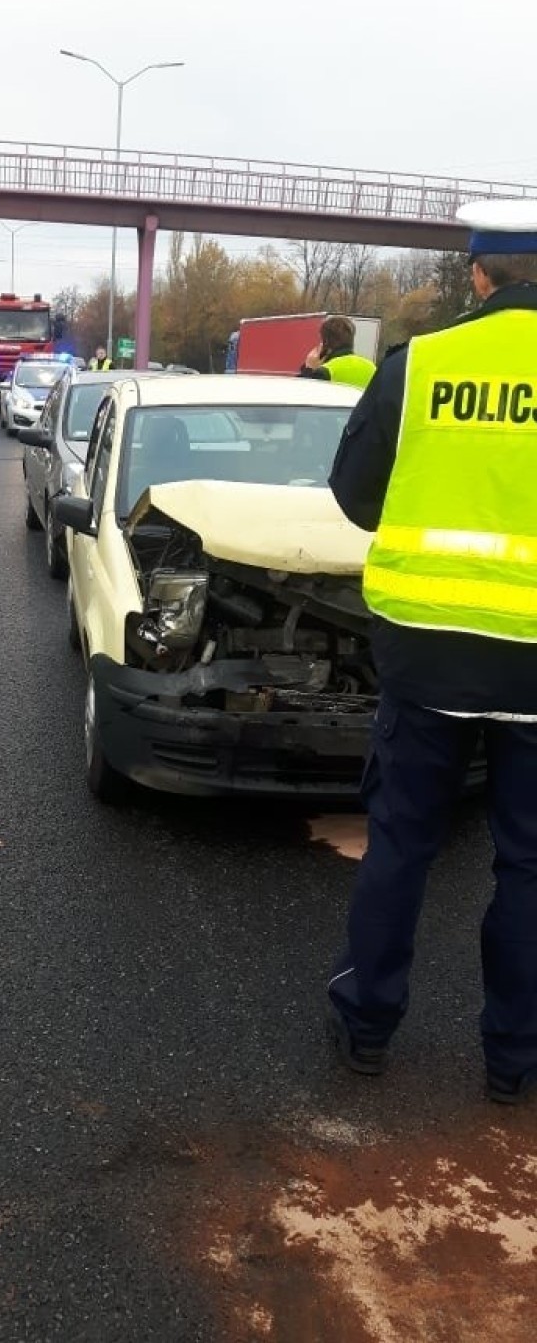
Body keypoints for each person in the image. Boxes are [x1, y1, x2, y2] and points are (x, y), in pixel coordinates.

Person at [326, 199, 537, 1104]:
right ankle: (512, 1060)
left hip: (425, 656)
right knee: (528, 864)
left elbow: (357, 498)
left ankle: (367, 1028)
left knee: (401, 844)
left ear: (478, 275)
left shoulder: (420, 366)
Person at [301, 314, 376, 388]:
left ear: (325, 343)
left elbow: (303, 393)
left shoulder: (326, 371)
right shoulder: (372, 368)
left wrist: (308, 370)